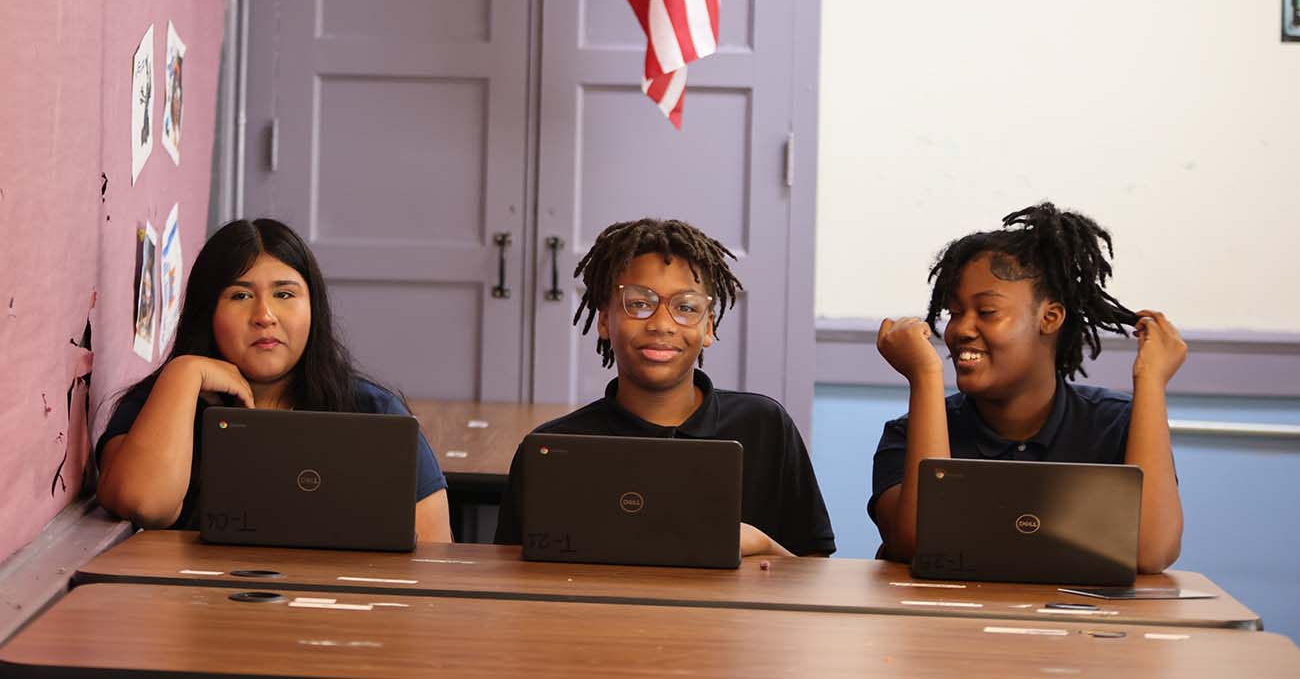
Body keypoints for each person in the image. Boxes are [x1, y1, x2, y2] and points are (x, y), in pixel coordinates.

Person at [869, 202, 1185, 573]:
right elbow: (917, 543)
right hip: (951, 630)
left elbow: (1151, 552)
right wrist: (924, 376)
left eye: (986, 312)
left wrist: (1150, 381)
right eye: (954, 313)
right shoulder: (909, 433)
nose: (961, 329)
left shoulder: (1116, 425)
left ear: (1049, 318)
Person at [494, 218, 836, 557]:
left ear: (708, 327)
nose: (661, 324)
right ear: (603, 320)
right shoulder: (552, 451)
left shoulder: (765, 426)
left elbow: (814, 570)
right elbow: (515, 579)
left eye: (686, 307)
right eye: (639, 303)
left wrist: (762, 545)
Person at [97, 218, 452, 541]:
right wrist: (186, 372)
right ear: (208, 311)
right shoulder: (160, 402)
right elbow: (145, 504)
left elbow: (434, 561)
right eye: (240, 295)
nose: (264, 316)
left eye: (284, 294)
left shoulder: (375, 413)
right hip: (196, 607)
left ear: (314, 307)